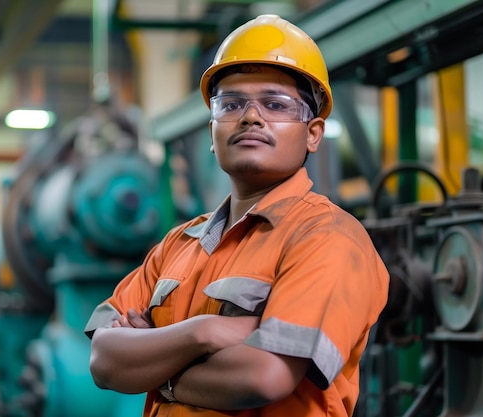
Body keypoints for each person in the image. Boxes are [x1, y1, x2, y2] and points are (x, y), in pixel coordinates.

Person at [84, 13, 389, 417]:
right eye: (230, 104)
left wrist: (159, 371)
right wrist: (204, 332)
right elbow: (105, 361)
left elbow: (265, 375)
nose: (250, 116)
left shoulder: (328, 237)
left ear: (313, 133)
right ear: (212, 131)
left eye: (275, 104)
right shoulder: (178, 245)